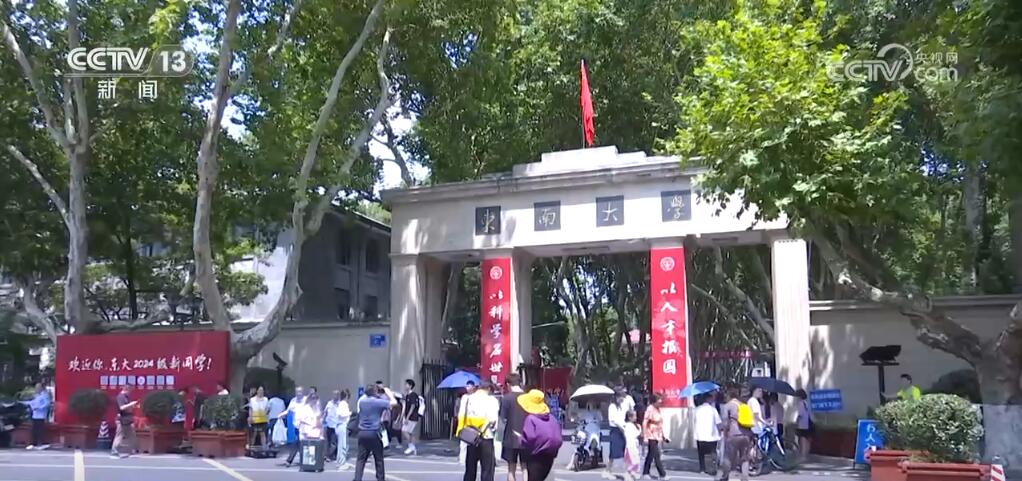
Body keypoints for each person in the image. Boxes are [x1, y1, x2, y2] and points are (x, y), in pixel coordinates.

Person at [352, 385, 398, 481]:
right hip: (374, 433)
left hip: (362, 432)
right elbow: (394, 402)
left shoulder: (362, 402)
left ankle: (357, 478)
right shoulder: (378, 402)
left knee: (361, 459)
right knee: (378, 458)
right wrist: (388, 392)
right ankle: (380, 478)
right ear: (375, 392)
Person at [458, 380, 500, 481]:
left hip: (471, 436)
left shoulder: (468, 398)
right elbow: (492, 419)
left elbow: (461, 415)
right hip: (486, 436)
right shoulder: (492, 400)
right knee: (487, 469)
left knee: (470, 469)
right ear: (489, 389)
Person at [517, 389, 562, 481]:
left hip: (536, 456)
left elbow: (529, 437)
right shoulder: (552, 418)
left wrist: (520, 439)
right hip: (550, 455)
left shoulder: (531, 419)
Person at [718, 386, 752, 481]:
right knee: (744, 458)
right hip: (746, 435)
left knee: (728, 457)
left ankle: (725, 477)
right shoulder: (743, 405)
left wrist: (724, 431)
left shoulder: (728, 406)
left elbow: (725, 422)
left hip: (733, 435)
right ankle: (744, 478)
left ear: (729, 395)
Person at [499, 374, 528, 481]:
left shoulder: (506, 399)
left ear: (508, 384)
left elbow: (503, 419)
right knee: (525, 467)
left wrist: (499, 437)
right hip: (527, 436)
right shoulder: (528, 398)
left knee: (511, 468)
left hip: (510, 437)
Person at [605, 386, 634, 479]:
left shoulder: (623, 405)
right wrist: (622, 427)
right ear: (617, 397)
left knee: (625, 452)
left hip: (623, 429)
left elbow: (626, 416)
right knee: (614, 453)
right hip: (615, 430)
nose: (622, 398)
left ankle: (627, 473)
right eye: (621, 396)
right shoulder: (612, 406)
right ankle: (608, 471)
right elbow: (613, 420)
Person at [564, 400, 603, 469]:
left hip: (594, 430)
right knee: (579, 442)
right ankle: (572, 462)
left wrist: (595, 420)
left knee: (594, 441)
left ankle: (593, 454)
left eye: (591, 404)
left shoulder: (597, 412)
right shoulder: (583, 412)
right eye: (588, 404)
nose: (590, 405)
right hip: (584, 429)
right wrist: (574, 419)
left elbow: (600, 420)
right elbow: (576, 418)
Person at [641, 394, 668, 480]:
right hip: (650, 435)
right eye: (658, 400)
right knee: (656, 455)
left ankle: (645, 472)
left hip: (657, 435)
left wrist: (663, 435)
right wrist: (645, 436)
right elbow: (645, 423)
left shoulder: (657, 409)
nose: (660, 401)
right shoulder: (650, 409)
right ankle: (662, 474)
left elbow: (660, 423)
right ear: (654, 401)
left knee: (651, 454)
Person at [695, 393, 723, 475]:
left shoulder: (697, 409)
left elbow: (695, 420)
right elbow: (718, 422)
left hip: (700, 435)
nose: (713, 400)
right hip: (712, 435)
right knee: (713, 452)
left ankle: (702, 469)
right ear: (708, 399)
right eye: (711, 398)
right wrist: (721, 430)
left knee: (701, 453)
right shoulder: (713, 410)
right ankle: (713, 468)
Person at [280, 387, 306, 467]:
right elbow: (288, 410)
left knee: (298, 443)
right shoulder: (293, 401)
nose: (299, 393)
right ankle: (303, 461)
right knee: (299, 443)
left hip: (305, 426)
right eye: (297, 392)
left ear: (303, 392)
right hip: (296, 426)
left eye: (300, 392)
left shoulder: (306, 400)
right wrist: (281, 415)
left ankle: (290, 460)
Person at [111, 385, 139, 458]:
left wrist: (132, 406)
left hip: (128, 419)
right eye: (130, 391)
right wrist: (131, 404)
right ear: (126, 389)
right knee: (119, 435)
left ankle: (132, 451)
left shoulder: (126, 397)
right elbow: (122, 407)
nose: (130, 393)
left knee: (131, 435)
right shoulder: (120, 397)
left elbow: (127, 407)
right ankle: (114, 452)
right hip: (121, 419)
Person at [21, 383, 50, 450]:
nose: (36, 389)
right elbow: (32, 402)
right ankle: (33, 444)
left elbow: (47, 404)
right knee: (34, 430)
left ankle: (41, 444)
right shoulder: (37, 396)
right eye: (36, 387)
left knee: (40, 430)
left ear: (41, 388)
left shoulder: (45, 395)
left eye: (38, 387)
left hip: (41, 416)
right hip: (35, 415)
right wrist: (23, 402)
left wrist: (39, 408)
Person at [401, 379, 424, 456]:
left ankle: (411, 446)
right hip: (409, 416)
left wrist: (407, 417)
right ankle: (412, 447)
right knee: (410, 432)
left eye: (406, 384)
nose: (405, 386)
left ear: (410, 386)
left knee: (404, 430)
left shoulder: (413, 395)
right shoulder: (407, 395)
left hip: (413, 417)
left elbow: (413, 406)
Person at [794, 389, 814, 463]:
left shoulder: (800, 403)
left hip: (802, 424)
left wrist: (796, 421)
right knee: (807, 440)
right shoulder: (807, 403)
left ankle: (803, 456)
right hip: (809, 423)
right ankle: (806, 455)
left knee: (803, 440)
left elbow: (800, 414)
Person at [622, 411, 642, 481]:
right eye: (634, 416)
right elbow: (635, 434)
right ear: (630, 417)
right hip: (631, 446)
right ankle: (628, 474)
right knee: (633, 461)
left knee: (635, 461)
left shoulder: (631, 425)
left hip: (633, 445)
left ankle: (633, 473)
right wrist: (640, 429)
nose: (636, 417)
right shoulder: (629, 426)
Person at [335, 390, 353, 470]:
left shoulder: (341, 403)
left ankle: (340, 461)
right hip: (342, 425)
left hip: (340, 425)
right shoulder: (343, 404)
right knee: (343, 445)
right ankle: (341, 463)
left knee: (341, 445)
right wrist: (349, 413)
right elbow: (340, 414)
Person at [325, 390, 342, 460]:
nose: (335, 396)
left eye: (337, 394)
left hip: (335, 425)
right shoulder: (329, 403)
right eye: (334, 394)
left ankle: (329, 456)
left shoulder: (340, 404)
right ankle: (331, 455)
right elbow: (325, 412)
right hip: (329, 425)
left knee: (333, 442)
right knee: (328, 441)